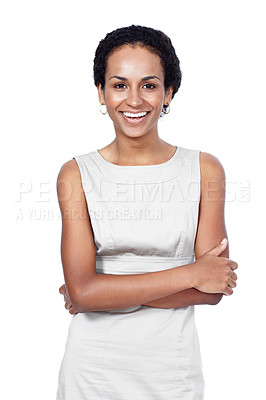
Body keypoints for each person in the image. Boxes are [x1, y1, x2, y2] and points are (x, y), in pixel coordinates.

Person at [55, 24, 238, 400]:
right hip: (93, 372)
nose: (134, 100)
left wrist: (103, 291)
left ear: (169, 92)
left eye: (149, 85)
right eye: (119, 85)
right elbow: (84, 293)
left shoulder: (205, 170)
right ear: (101, 93)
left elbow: (213, 288)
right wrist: (190, 274)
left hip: (172, 373)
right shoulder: (76, 174)